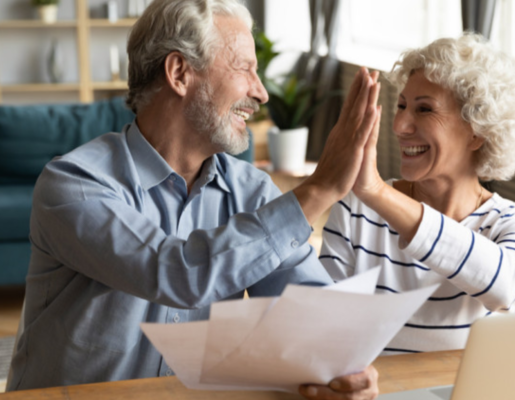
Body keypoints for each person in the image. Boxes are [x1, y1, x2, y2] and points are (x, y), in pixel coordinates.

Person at [8, 1, 380, 398]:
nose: (261, 93)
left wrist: (345, 363)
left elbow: (310, 310)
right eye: (244, 68)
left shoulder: (251, 192)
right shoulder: (74, 183)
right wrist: (317, 189)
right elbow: (175, 273)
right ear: (180, 73)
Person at [320, 33, 515, 354]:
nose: (400, 125)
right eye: (401, 106)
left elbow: (508, 289)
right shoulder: (357, 209)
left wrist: (376, 192)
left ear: (477, 133)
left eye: (425, 110)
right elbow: (322, 324)